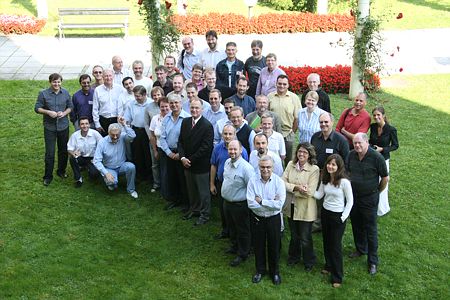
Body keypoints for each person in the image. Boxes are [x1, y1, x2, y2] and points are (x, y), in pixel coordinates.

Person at [346, 133, 389, 275]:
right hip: (354, 197)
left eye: (360, 143)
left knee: (370, 229)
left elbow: (385, 178)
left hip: (369, 198)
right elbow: (347, 172)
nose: (357, 145)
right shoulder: (351, 155)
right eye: (355, 143)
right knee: (357, 224)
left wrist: (377, 191)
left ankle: (372, 261)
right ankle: (360, 249)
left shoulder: (376, 157)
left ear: (367, 142)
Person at [314, 154, 353, 288]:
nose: (330, 166)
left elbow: (350, 201)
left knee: (335, 246)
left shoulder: (344, 182)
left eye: (334, 165)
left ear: (339, 167)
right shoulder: (325, 179)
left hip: (338, 216)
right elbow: (319, 195)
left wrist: (343, 217)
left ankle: (337, 276)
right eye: (329, 164)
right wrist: (306, 191)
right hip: (325, 213)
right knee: (326, 241)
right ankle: (328, 265)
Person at [247, 155, 286, 285]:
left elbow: (279, 205)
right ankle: (260, 270)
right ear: (259, 167)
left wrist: (262, 201)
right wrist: (271, 202)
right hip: (258, 218)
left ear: (273, 167)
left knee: (274, 245)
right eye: (262, 167)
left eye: (268, 167)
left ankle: (274, 272)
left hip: (273, 219)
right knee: (258, 245)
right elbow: (251, 203)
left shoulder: (279, 182)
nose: (265, 170)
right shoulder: (253, 181)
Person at [282, 142, 320, 271]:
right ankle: (294, 257)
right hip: (291, 206)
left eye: (305, 152)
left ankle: (309, 261)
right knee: (294, 235)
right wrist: (297, 187)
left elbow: (309, 192)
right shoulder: (290, 164)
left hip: (306, 209)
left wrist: (291, 188)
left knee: (305, 237)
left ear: (309, 155)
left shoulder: (314, 169)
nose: (301, 154)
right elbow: (282, 183)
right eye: (300, 151)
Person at [311, 112, 350, 232]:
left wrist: (340, 177)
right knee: (318, 199)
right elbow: (311, 156)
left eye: (326, 122)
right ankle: (318, 222)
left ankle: (334, 222)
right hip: (318, 173)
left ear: (332, 122)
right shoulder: (315, 137)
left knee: (333, 197)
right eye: (321, 122)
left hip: (334, 175)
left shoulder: (341, 140)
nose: (323, 124)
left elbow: (346, 161)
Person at [178, 98, 214, 226]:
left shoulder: (207, 126)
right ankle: (194, 209)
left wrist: (190, 160)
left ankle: (205, 215)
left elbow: (205, 148)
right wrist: (182, 158)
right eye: (192, 108)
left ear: (202, 109)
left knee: (203, 192)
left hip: (200, 165)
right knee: (191, 190)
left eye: (197, 108)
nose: (194, 110)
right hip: (186, 164)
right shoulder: (185, 122)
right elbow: (180, 141)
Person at [210, 125, 249, 239]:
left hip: (236, 186)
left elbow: (244, 169)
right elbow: (213, 165)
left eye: (230, 134)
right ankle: (226, 231)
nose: (227, 136)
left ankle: (236, 235)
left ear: (235, 134)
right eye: (225, 133)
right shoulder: (217, 148)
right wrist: (212, 183)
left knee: (235, 215)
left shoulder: (242, 151)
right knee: (223, 210)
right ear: (222, 134)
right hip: (222, 183)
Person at [35, 73, 73, 186]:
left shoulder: (65, 93)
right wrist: (48, 112)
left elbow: (70, 106)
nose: (56, 84)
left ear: (61, 82)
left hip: (63, 126)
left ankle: (61, 171)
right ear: (50, 82)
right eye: (54, 82)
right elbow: (37, 108)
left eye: (58, 82)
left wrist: (64, 113)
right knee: (50, 153)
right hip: (49, 127)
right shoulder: (43, 94)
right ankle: (48, 176)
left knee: (63, 150)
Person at [221, 140, 254, 267]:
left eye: (235, 149)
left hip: (240, 205)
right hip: (227, 203)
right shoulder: (227, 162)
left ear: (241, 150)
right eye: (230, 149)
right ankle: (234, 247)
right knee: (232, 227)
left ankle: (243, 253)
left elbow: (251, 188)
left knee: (242, 230)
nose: (232, 152)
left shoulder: (246, 168)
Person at [159, 94, 191, 211]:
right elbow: (162, 138)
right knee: (171, 178)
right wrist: (169, 153)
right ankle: (175, 200)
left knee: (183, 179)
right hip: (169, 153)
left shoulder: (187, 118)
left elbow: (188, 139)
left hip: (181, 153)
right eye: (171, 103)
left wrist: (181, 154)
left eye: (176, 102)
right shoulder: (166, 118)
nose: (174, 105)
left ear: (181, 103)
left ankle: (186, 203)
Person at [93, 118, 138, 198]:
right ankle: (112, 183)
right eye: (112, 135)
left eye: (117, 134)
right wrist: (106, 173)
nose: (115, 137)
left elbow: (132, 135)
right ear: (108, 133)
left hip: (122, 165)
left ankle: (131, 190)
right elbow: (96, 161)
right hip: (109, 168)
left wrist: (124, 124)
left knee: (131, 167)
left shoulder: (123, 136)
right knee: (111, 183)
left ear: (121, 133)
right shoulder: (102, 142)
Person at [369, 106, 398, 216]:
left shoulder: (391, 130)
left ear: (383, 116)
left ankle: (382, 208)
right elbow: (371, 140)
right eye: (374, 115)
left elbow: (395, 145)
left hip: (384, 158)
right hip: (373, 157)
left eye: (378, 115)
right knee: (373, 180)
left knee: (383, 181)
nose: (376, 117)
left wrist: (383, 149)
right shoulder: (373, 127)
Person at [268, 75, 301, 165]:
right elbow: (266, 114)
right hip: (272, 132)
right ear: (276, 84)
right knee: (272, 157)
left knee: (289, 159)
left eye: (284, 84)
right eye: (279, 84)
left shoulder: (294, 98)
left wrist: (293, 132)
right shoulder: (270, 96)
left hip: (288, 133)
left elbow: (297, 117)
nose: (281, 86)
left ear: (288, 85)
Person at [123, 85, 152, 181]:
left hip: (147, 131)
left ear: (144, 95)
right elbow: (127, 118)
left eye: (138, 96)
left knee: (148, 153)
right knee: (137, 153)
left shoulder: (150, 103)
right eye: (135, 96)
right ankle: (139, 174)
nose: (137, 98)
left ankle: (149, 175)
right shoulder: (131, 104)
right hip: (136, 131)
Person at [67, 116, 102, 187]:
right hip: (81, 157)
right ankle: (78, 178)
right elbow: (69, 148)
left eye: (86, 123)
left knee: (94, 175)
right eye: (82, 124)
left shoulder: (95, 134)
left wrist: (97, 158)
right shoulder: (75, 135)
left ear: (89, 125)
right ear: (79, 126)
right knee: (72, 158)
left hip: (93, 158)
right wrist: (73, 153)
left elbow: (103, 146)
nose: (85, 126)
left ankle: (89, 169)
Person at [149, 97, 171, 194]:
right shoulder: (155, 119)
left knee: (167, 169)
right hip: (159, 147)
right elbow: (152, 136)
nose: (165, 108)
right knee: (159, 167)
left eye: (166, 106)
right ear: (159, 107)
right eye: (162, 107)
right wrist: (155, 150)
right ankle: (159, 185)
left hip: (170, 149)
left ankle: (168, 188)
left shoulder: (172, 118)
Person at [92, 69, 123, 136]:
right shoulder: (98, 90)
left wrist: (120, 120)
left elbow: (122, 106)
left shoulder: (120, 89)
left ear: (113, 76)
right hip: (103, 120)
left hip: (116, 120)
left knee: (117, 140)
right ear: (102, 77)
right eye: (106, 76)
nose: (108, 78)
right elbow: (95, 108)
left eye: (110, 76)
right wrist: (97, 124)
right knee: (105, 141)